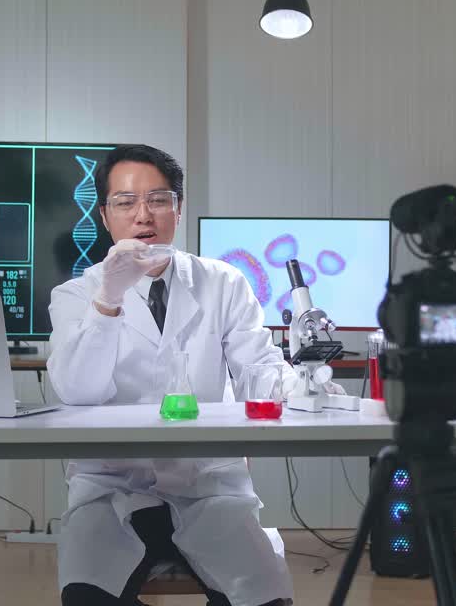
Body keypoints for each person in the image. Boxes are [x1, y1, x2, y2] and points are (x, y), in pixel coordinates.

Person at [47, 144, 343, 606]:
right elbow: (78, 391)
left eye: (158, 200)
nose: (143, 215)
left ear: (177, 209)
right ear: (105, 216)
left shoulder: (223, 283)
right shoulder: (75, 294)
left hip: (207, 484)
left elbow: (258, 372)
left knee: (263, 599)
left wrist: (306, 383)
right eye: (126, 202)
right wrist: (109, 299)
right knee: (88, 595)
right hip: (113, 486)